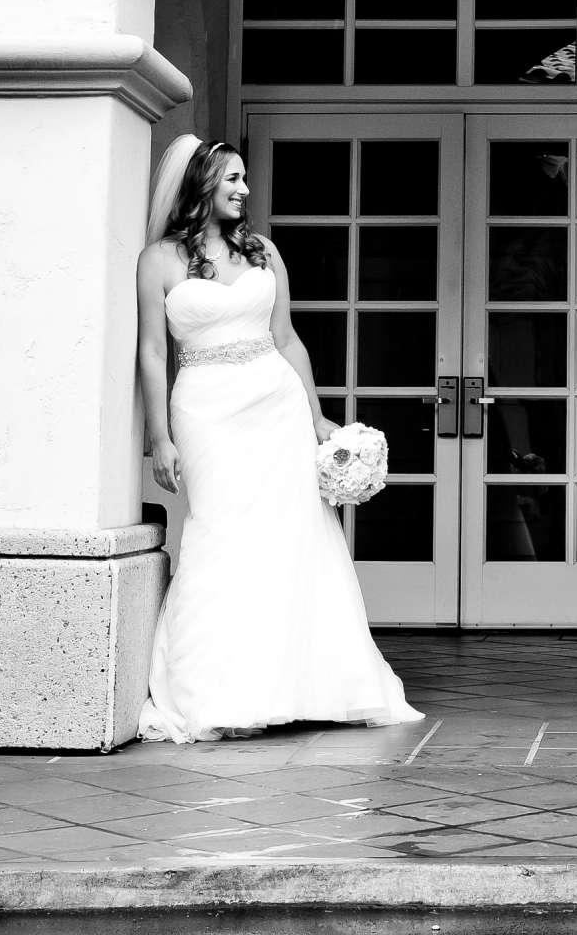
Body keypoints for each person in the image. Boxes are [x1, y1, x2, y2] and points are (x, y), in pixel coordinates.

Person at [136, 134, 420, 740]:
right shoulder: (158, 259)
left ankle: (304, 685)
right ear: (200, 185)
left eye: (245, 178)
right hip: (206, 409)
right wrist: (159, 437)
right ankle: (222, 693)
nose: (243, 189)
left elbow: (287, 337)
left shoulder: (263, 251)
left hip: (276, 404)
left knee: (293, 535)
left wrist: (317, 416)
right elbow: (153, 352)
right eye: (231, 178)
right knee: (220, 532)